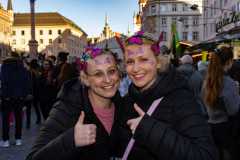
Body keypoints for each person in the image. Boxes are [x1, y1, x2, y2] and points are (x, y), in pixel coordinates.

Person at [115, 31, 218, 160]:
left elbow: (206, 155)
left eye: (144, 59)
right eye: (130, 62)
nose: (136, 68)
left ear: (158, 62)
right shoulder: (127, 101)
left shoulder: (181, 99)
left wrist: (150, 130)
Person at [26, 48, 122, 160]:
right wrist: (71, 140)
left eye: (111, 71)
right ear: (85, 79)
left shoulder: (126, 106)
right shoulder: (66, 109)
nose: (108, 80)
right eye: (98, 74)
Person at [202, 45, 240, 160]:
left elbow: (203, 102)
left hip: (210, 127)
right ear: (228, 62)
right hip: (227, 131)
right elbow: (233, 110)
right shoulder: (228, 83)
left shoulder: (206, 81)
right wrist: (237, 93)